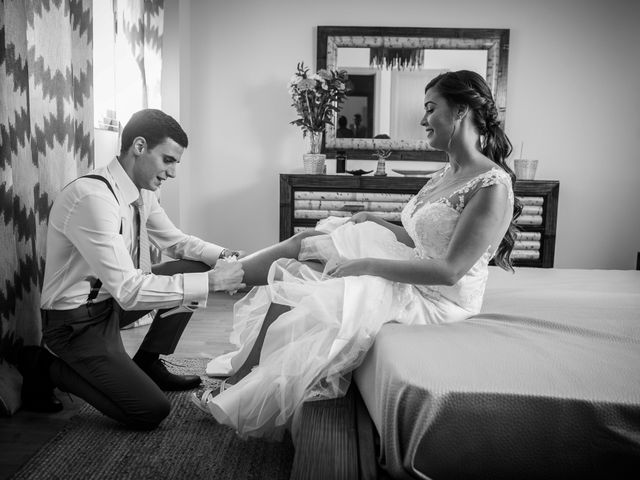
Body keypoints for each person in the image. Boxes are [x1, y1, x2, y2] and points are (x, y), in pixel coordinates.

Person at [192, 70, 521, 438]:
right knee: (307, 247)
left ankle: (235, 365)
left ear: (460, 111)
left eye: (430, 108)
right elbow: (422, 242)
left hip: (438, 300)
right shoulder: (446, 174)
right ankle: (224, 282)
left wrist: (366, 265)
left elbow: (450, 270)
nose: (423, 119)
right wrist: (377, 221)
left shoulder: (491, 186)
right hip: (418, 270)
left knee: (308, 286)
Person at [17, 109, 245, 430]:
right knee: (150, 411)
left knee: (192, 265)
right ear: (139, 147)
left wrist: (222, 256)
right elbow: (129, 291)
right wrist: (210, 282)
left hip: (109, 306)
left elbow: (176, 243)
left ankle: (149, 362)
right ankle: (45, 366)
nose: (173, 172)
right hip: (75, 323)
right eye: (168, 160)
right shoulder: (93, 198)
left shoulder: (142, 193)